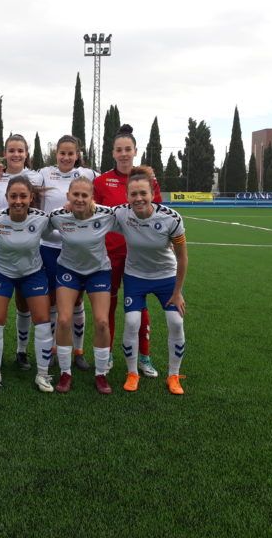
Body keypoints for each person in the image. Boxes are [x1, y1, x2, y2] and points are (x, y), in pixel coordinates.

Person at [93, 124, 162, 378]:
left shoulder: (146, 180)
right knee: (107, 308)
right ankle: (107, 352)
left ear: (135, 151)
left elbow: (157, 213)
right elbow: (94, 215)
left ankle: (144, 357)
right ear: (113, 152)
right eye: (119, 149)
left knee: (139, 309)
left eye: (128, 149)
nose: (124, 153)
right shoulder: (101, 182)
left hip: (139, 256)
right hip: (108, 256)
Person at [113, 166, 188, 395]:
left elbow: (182, 257)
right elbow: (93, 211)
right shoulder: (121, 213)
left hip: (166, 277)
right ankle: (132, 372)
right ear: (127, 196)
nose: (138, 198)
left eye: (143, 193)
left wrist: (177, 292)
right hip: (135, 277)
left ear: (152, 193)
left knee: (176, 322)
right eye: (133, 194)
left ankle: (174, 375)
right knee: (133, 322)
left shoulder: (171, 218)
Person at [0, 176, 54, 393]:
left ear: (31, 197)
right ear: (6, 197)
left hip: (33, 272)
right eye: (13, 196)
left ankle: (42, 374)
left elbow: (65, 226)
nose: (18, 201)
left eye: (23, 196)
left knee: (42, 320)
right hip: (1, 272)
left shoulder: (42, 219)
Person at [49, 177, 118, 394]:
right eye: (75, 195)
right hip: (69, 270)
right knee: (63, 320)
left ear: (92, 198)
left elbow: (129, 218)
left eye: (84, 195)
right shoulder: (58, 216)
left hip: (98, 271)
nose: (79, 199)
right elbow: (42, 231)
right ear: (68, 196)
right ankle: (65, 372)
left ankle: (101, 374)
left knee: (102, 322)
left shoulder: (106, 214)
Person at [39, 135, 97, 370]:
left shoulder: (89, 175)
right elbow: (16, 176)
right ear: (56, 154)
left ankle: (79, 351)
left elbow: (116, 181)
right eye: (62, 153)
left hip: (75, 247)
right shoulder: (43, 173)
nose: (66, 157)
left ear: (77, 155)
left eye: (70, 153)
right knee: (53, 300)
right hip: (49, 247)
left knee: (77, 301)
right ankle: (54, 348)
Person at [0, 134, 44, 370]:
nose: (16, 154)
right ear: (5, 152)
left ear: (26, 153)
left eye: (20, 150)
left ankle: (22, 352)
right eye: (11, 150)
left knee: (25, 304)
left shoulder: (37, 176)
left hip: (28, 243)